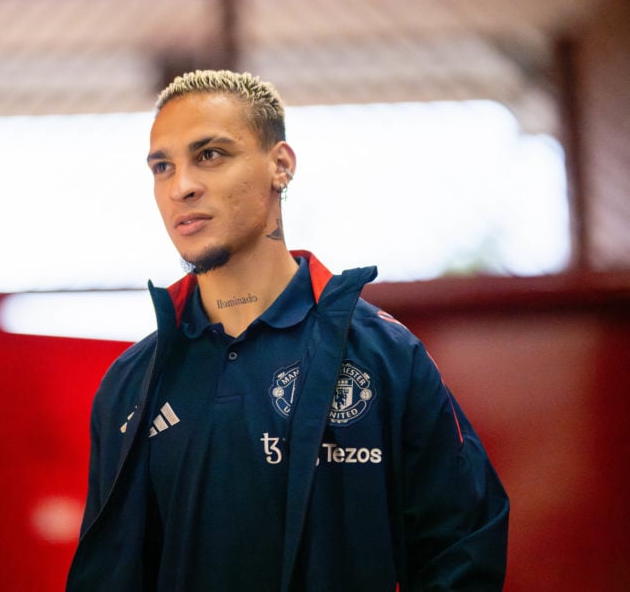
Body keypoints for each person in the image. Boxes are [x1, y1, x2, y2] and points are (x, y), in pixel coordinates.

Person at [66, 70, 509, 591]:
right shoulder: (131, 383)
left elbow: (462, 550)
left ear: (281, 165)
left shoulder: (385, 356)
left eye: (210, 154)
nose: (181, 186)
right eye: (163, 166)